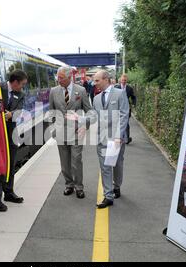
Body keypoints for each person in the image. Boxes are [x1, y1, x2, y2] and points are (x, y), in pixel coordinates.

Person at [47, 66, 92, 199]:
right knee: (64, 161)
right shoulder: (53, 91)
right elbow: (51, 113)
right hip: (60, 133)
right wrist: (53, 129)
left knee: (76, 160)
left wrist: (85, 126)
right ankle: (69, 184)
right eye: (57, 77)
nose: (58, 80)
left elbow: (89, 111)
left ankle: (79, 187)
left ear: (69, 77)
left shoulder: (81, 90)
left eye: (61, 78)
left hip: (77, 132)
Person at [0, 69, 28, 212]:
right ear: (15, 82)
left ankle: (9, 193)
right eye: (22, 84)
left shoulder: (21, 94)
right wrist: (1, 114)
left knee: (10, 164)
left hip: (11, 134)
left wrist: (11, 114)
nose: (23, 87)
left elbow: (20, 112)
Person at [92, 70, 129, 208]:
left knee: (117, 164)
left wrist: (119, 136)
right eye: (94, 81)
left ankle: (117, 186)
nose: (94, 83)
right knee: (105, 167)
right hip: (102, 138)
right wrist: (81, 121)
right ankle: (108, 196)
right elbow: (93, 116)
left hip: (116, 138)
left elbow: (124, 115)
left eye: (97, 80)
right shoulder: (96, 99)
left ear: (105, 79)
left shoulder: (120, 93)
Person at [115, 74, 137, 144]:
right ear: (120, 80)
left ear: (126, 81)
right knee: (118, 122)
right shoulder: (116, 87)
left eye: (125, 80)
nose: (124, 81)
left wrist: (134, 104)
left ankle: (127, 138)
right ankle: (119, 136)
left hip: (126, 108)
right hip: (118, 108)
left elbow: (133, 97)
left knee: (126, 123)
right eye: (122, 80)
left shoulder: (129, 88)